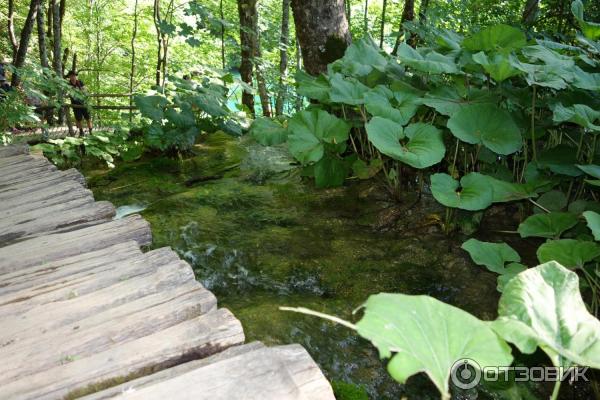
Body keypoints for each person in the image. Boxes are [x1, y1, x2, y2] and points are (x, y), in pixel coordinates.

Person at [67, 70, 92, 136]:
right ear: (69, 77)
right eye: (71, 76)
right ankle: (81, 132)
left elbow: (85, 90)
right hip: (75, 104)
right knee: (78, 118)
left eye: (74, 76)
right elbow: (70, 92)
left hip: (84, 103)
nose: (73, 77)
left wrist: (80, 91)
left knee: (88, 117)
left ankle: (90, 131)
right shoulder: (68, 84)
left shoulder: (80, 82)